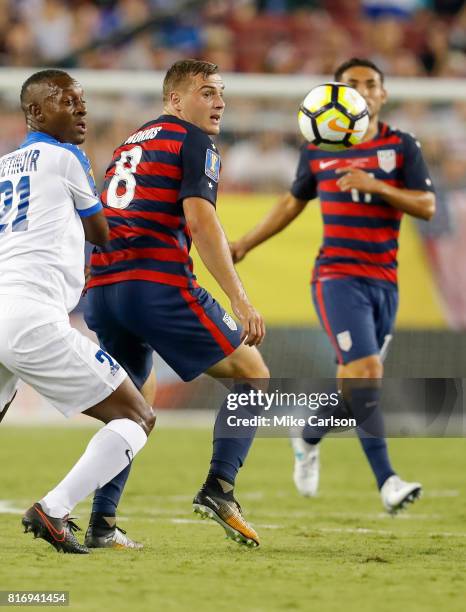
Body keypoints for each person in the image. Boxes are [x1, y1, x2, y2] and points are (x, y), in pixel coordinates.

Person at [230, 58, 436, 514]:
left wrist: (377, 187)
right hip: (337, 277)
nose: (362, 90)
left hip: (385, 281)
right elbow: (291, 202)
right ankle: (389, 482)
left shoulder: (402, 146)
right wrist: (244, 243)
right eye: (351, 85)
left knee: (355, 389)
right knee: (366, 374)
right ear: (337, 95)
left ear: (382, 94)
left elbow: (426, 205)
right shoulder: (318, 147)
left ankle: (307, 434)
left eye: (370, 84)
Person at [84, 59, 269, 549]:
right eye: (207, 92)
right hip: (156, 285)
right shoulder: (194, 143)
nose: (220, 102)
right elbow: (202, 222)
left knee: (131, 409)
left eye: (221, 93)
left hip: (103, 288)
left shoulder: (129, 143)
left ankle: (102, 524)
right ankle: (220, 487)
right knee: (254, 375)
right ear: (174, 100)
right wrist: (239, 298)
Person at [0, 69, 156, 554]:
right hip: (32, 316)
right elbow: (102, 233)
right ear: (35, 112)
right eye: (67, 101)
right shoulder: (66, 157)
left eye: (81, 101)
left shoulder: (3, 166)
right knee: (137, 415)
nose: (81, 109)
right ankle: (55, 508)